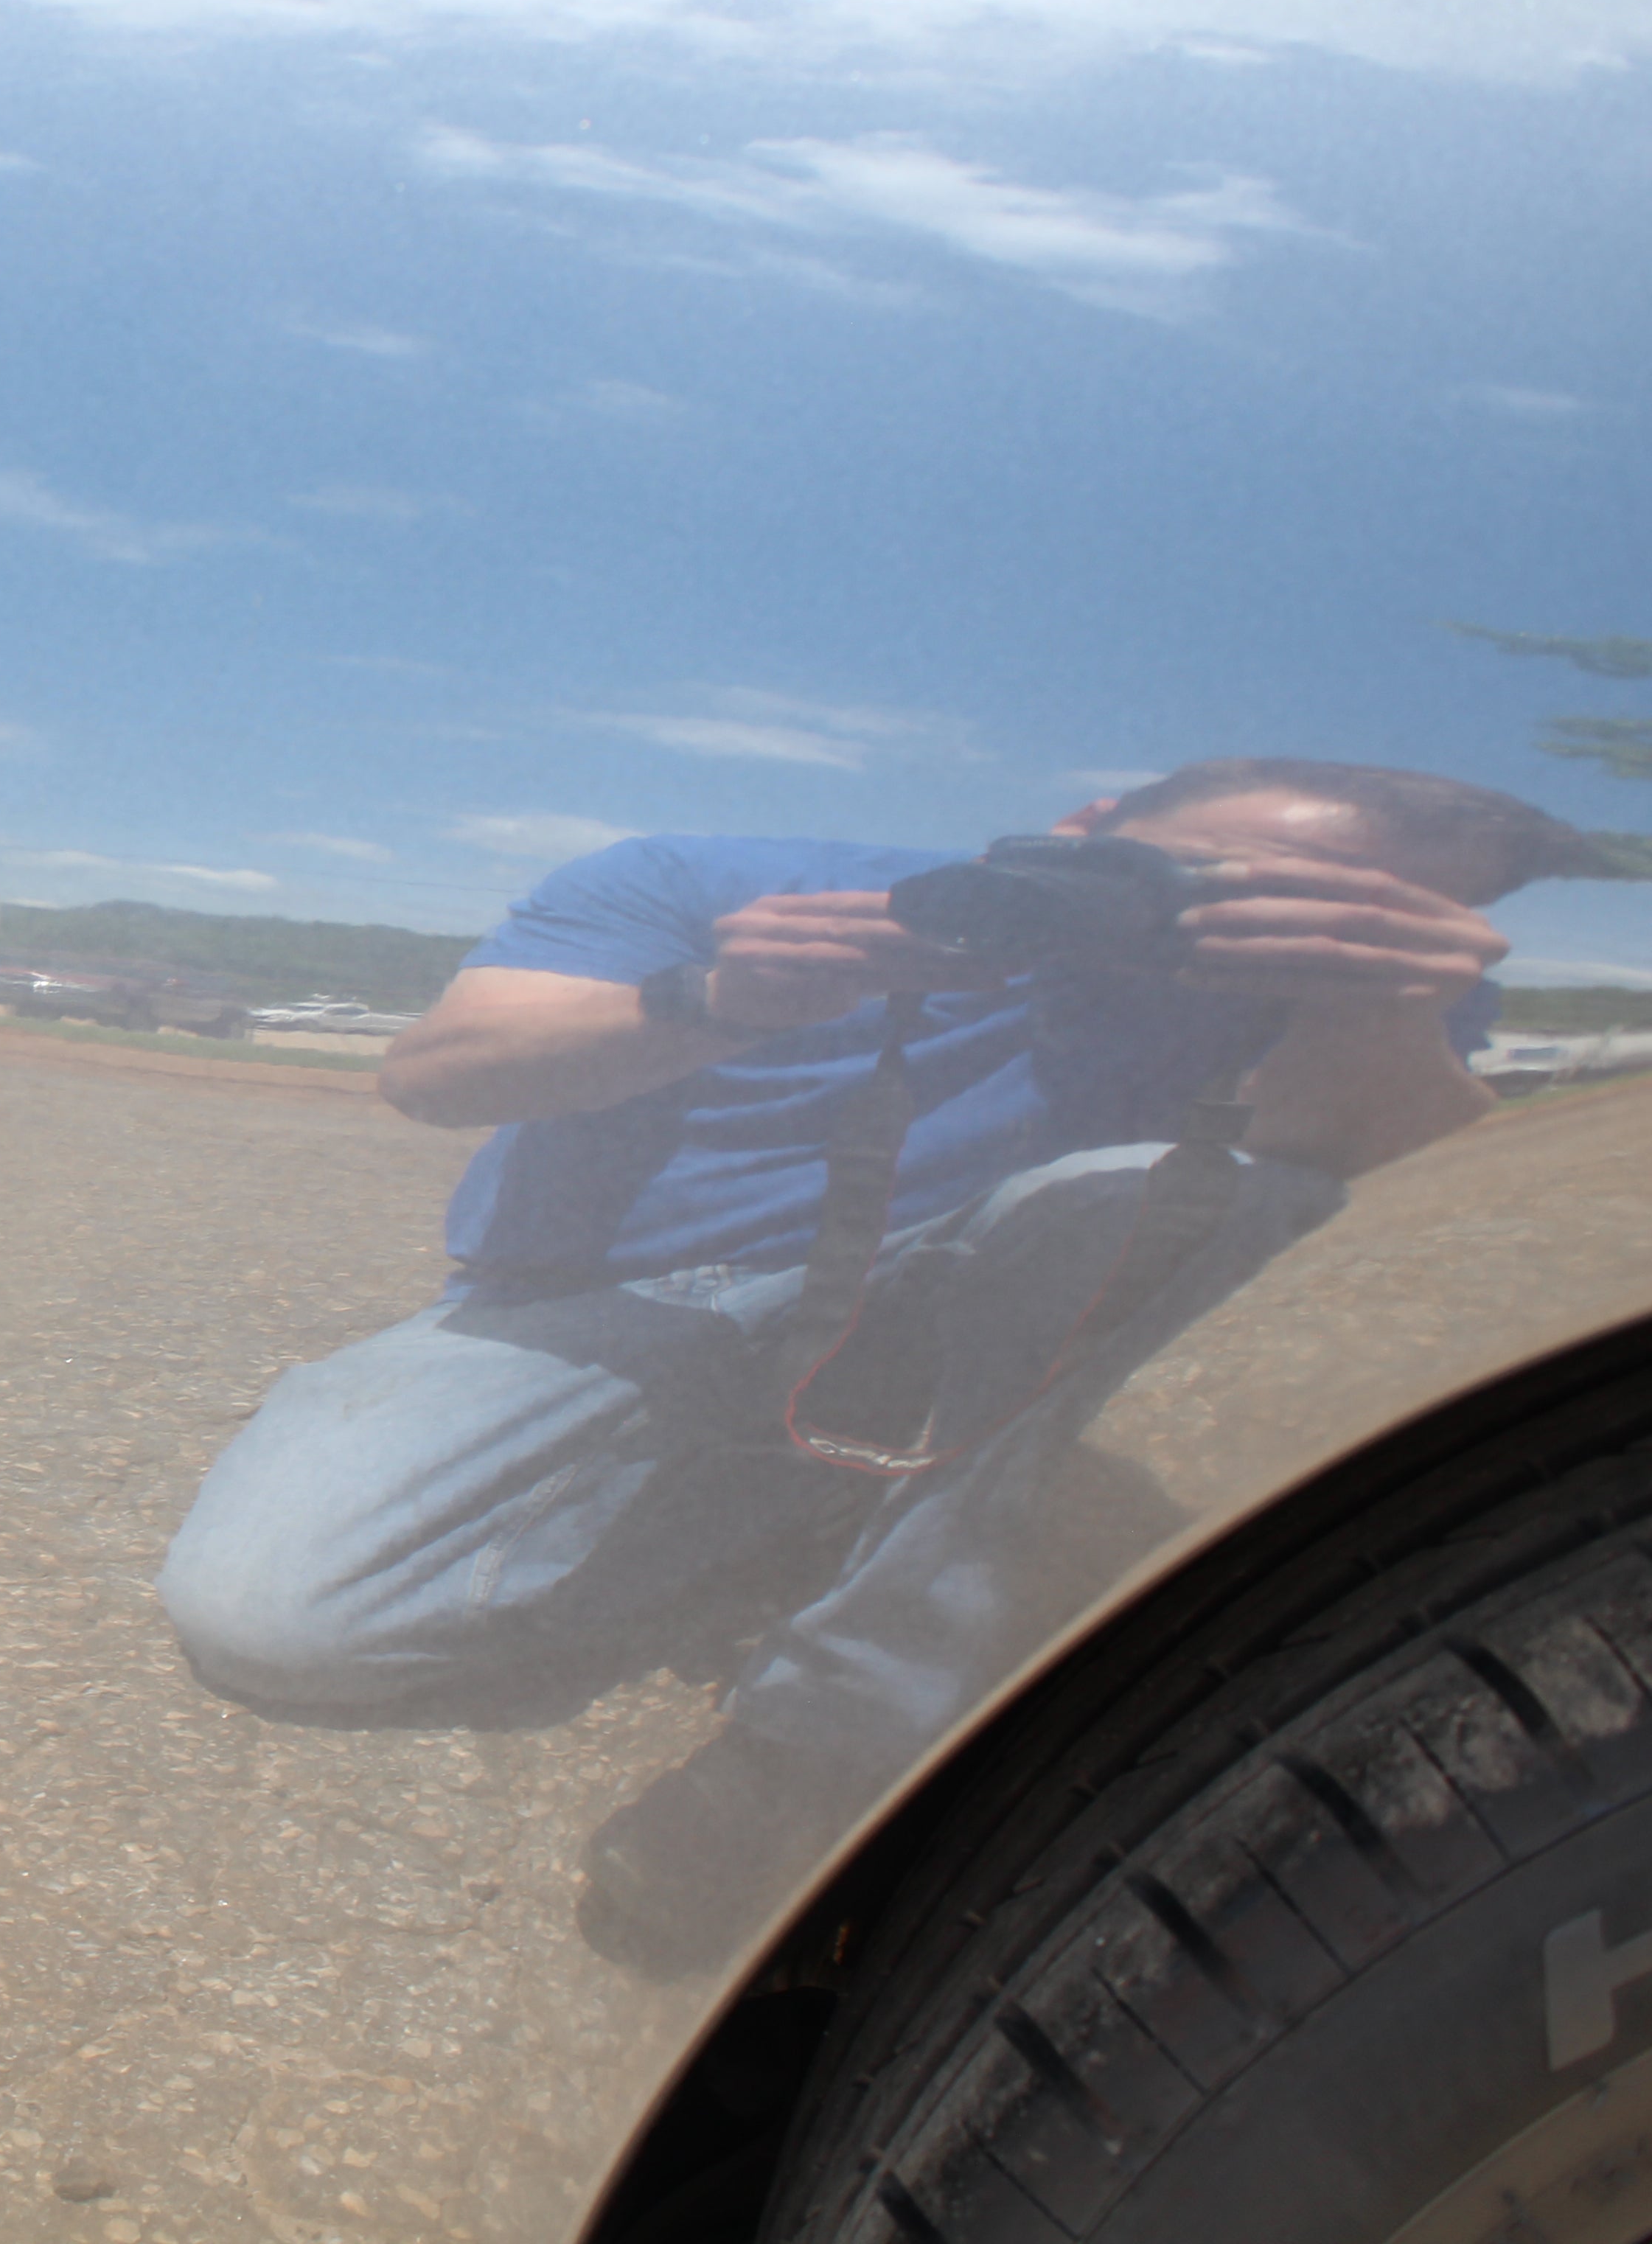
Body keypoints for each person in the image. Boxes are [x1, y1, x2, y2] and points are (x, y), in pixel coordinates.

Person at [155, 759, 1593, 1971]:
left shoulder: (1364, 994)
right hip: (617, 1303)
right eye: (1208, 881)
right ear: (1087, 824)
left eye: (1342, 911)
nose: (1229, 926)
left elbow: (1378, 1207)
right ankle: (790, 1539)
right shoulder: (726, 881)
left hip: (989, 1322)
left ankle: (806, 1742)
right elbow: (432, 1075)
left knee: (1194, 1191)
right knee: (277, 1621)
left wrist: (1370, 1000)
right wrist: (719, 996)